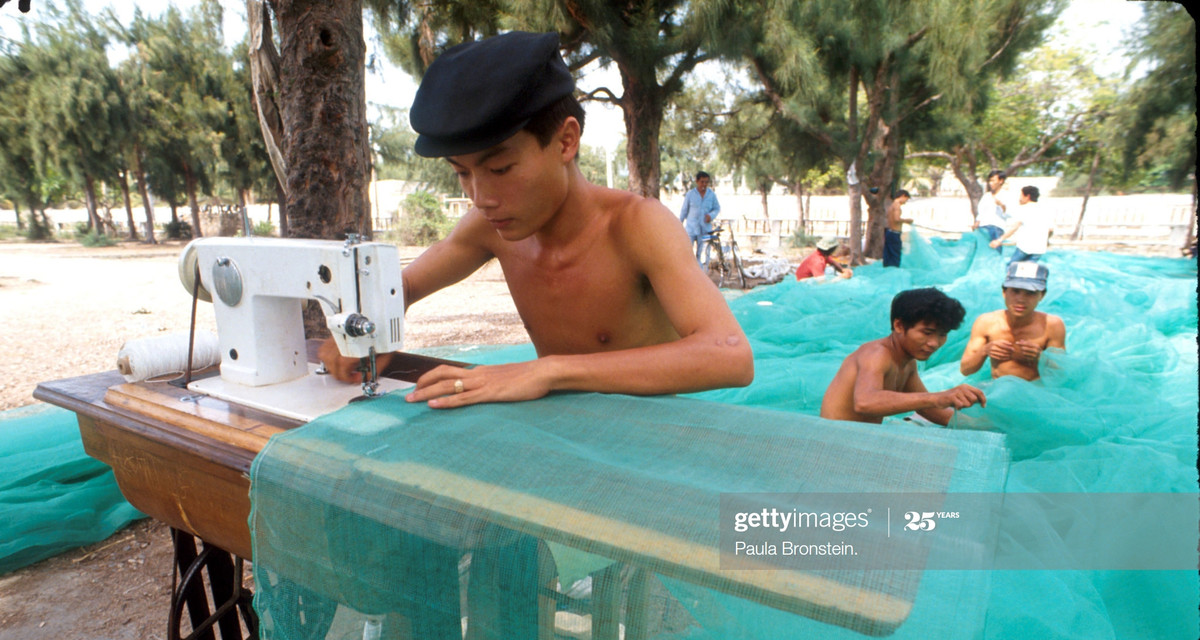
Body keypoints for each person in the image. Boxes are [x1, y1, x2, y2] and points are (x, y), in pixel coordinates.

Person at [319, 32, 753, 408]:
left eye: (500, 169)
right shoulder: (489, 227)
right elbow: (406, 285)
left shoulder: (637, 226)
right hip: (560, 432)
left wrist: (546, 371)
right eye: (461, 172)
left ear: (566, 141)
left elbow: (730, 356)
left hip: (645, 441)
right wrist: (367, 330)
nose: (481, 198)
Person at [820, 287, 986, 425]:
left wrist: (983, 426)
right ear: (899, 325)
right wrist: (938, 397)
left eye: (942, 334)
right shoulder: (877, 354)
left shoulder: (907, 363)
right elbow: (865, 402)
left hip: (860, 440)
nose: (934, 343)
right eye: (927, 332)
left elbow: (930, 410)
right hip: (835, 446)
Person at [960, 261, 1066, 381]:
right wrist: (985, 351)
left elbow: (1061, 374)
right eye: (1015, 291)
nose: (1020, 299)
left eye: (1030, 293)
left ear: (1042, 295)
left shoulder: (1052, 325)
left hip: (1035, 391)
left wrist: (1041, 358)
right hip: (998, 388)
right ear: (1004, 292)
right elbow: (965, 370)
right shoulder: (986, 322)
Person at [990, 185, 1051, 264]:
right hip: (1039, 249)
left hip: (1025, 248)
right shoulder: (1045, 210)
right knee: (1028, 272)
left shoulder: (1024, 209)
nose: (1020, 198)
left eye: (1021, 195)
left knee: (1011, 269)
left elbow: (1014, 227)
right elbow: (1050, 229)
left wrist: (999, 240)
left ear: (1027, 196)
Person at [679, 171, 721, 265]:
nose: (704, 184)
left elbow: (717, 208)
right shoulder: (690, 194)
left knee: (702, 256)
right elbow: (684, 211)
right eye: (702, 182)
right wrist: (679, 224)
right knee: (687, 254)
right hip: (691, 229)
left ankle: (701, 276)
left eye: (706, 182)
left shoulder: (712, 195)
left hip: (705, 230)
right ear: (697, 181)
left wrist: (711, 215)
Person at [973, 170, 1008, 241]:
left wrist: (1001, 205)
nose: (990, 183)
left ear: (1001, 181)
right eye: (990, 181)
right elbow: (981, 212)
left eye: (993, 181)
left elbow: (1009, 213)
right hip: (983, 227)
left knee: (994, 251)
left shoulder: (1006, 195)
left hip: (996, 227)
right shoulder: (987, 196)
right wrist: (977, 223)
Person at [883, 190, 913, 267]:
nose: (906, 201)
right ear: (903, 196)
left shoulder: (891, 205)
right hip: (894, 233)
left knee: (888, 255)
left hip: (889, 232)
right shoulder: (897, 206)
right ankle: (894, 271)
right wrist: (907, 221)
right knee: (895, 255)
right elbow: (897, 219)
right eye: (906, 199)